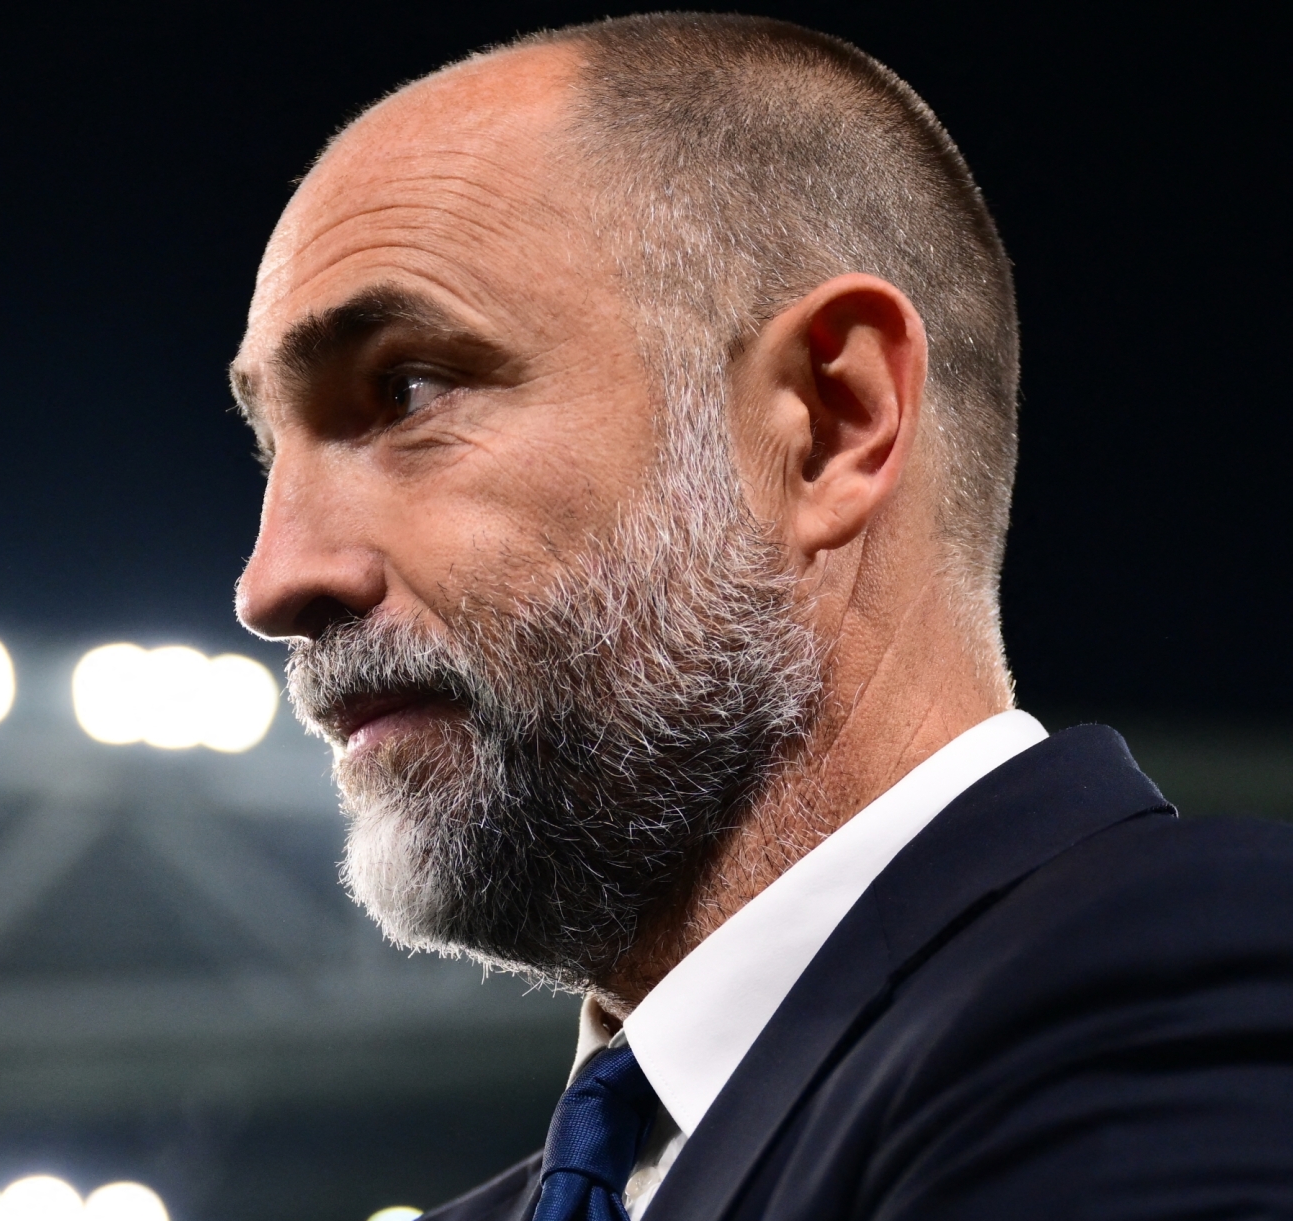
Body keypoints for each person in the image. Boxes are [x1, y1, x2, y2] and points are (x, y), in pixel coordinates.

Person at [228, 13, 1293, 1221]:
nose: (273, 582)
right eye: (270, 447)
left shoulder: (1175, 982)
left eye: (406, 391)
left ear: (827, 421)